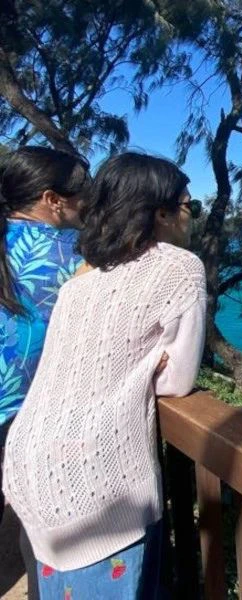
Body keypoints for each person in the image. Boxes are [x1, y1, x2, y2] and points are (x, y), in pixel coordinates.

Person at [2, 152, 206, 599]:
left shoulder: (82, 279)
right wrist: (148, 366)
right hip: (96, 479)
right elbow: (177, 382)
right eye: (190, 205)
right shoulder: (180, 267)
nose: (193, 215)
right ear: (162, 213)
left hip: (29, 460)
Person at [0, 146, 90, 523]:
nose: (89, 201)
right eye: (84, 191)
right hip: (22, 421)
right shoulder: (74, 254)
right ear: (52, 199)